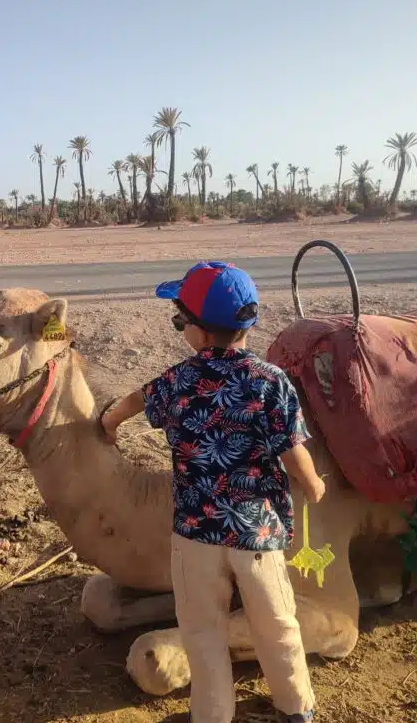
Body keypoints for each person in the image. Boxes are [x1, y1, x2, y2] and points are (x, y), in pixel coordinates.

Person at [100, 261, 325, 723]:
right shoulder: (270, 382)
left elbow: (137, 400)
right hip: (258, 535)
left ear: (199, 333)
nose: (180, 328)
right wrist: (315, 485)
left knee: (202, 632)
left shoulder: (177, 380)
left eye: (179, 320)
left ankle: (212, 714)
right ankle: (296, 707)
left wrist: (109, 422)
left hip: (195, 535)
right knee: (278, 625)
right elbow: (293, 452)